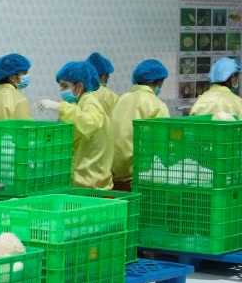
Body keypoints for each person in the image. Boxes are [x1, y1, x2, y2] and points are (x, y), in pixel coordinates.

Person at [36, 62, 113, 189]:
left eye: (65, 86)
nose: (61, 91)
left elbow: (88, 122)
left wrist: (60, 106)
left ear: (79, 87)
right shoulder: (80, 105)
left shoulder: (90, 104)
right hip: (87, 181)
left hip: (91, 185)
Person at [111, 60, 170, 191]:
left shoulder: (121, 99)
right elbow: (162, 145)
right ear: (159, 82)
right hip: (139, 178)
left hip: (114, 177)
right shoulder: (157, 105)